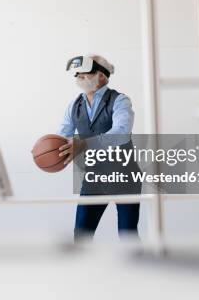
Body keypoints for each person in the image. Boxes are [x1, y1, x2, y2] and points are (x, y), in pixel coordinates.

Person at [57, 54, 140, 241]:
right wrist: (50, 151)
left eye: (85, 73)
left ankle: (138, 269)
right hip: (94, 177)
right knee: (81, 237)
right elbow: (62, 135)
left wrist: (84, 144)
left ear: (101, 75)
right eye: (77, 74)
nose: (79, 77)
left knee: (128, 237)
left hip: (124, 177)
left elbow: (121, 132)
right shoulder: (74, 105)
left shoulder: (120, 100)